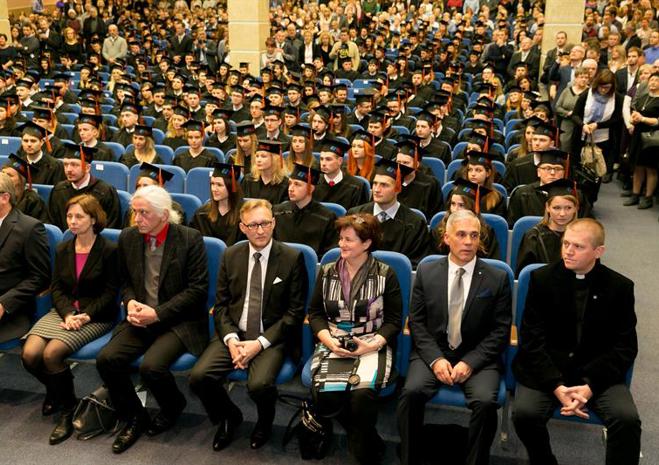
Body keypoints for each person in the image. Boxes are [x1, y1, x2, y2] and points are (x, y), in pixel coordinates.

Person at [512, 219, 641, 465]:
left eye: (578, 246)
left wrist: (590, 386)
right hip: (549, 370)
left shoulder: (620, 287)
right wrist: (556, 386)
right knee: (524, 414)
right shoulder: (542, 279)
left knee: (627, 419)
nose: (568, 251)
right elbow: (531, 341)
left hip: (598, 374)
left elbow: (625, 347)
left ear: (598, 251)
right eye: (566, 244)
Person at [96, 185, 209, 454]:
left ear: (164, 215)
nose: (137, 219)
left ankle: (173, 406)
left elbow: (197, 290)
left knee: (151, 367)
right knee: (107, 359)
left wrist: (157, 313)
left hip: (178, 320)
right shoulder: (129, 237)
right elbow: (125, 281)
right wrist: (130, 302)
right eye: (135, 212)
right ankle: (135, 416)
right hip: (140, 316)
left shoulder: (189, 239)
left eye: (144, 213)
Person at [189, 199, 307, 452]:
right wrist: (232, 340)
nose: (260, 230)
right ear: (243, 228)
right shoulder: (231, 255)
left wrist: (259, 344)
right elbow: (221, 306)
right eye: (253, 225)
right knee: (199, 378)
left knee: (259, 385)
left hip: (272, 337)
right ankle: (229, 416)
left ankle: (264, 422)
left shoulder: (291, 258)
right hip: (234, 333)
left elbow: (294, 313)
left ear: (274, 223)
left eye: (265, 223)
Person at [398, 209, 512, 465]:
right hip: (434, 351)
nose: (469, 242)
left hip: (478, 356)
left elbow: (500, 330)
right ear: (446, 238)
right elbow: (417, 322)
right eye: (461, 235)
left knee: (485, 402)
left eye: (474, 235)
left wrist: (470, 362)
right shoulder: (427, 271)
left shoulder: (497, 278)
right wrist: (436, 360)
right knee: (411, 393)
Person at [21, 194, 120, 445]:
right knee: (29, 355)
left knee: (51, 354)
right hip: (64, 312)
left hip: (95, 316)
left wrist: (86, 315)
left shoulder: (109, 250)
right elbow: (57, 288)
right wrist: (67, 313)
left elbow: (110, 292)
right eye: (69, 216)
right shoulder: (63, 248)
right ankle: (60, 391)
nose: (72, 221)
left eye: (79, 216)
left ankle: (66, 410)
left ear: (93, 219)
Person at [309, 213, 402, 465]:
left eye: (348, 240)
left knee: (362, 396)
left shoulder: (385, 274)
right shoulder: (327, 271)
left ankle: (361, 453)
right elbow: (315, 314)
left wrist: (371, 345)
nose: (341, 244)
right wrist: (328, 341)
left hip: (372, 342)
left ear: (367, 243)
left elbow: (394, 321)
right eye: (341, 239)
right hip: (333, 341)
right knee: (325, 395)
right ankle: (367, 438)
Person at [348, 158, 432, 267]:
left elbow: (413, 265)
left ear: (397, 188)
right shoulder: (355, 215)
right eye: (375, 183)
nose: (376, 190)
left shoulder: (415, 223)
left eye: (384, 185)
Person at [0, 172, 50, 343]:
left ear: (5, 198)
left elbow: (40, 277)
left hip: (10, 309)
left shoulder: (30, 228)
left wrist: (5, 303)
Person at [48, 143, 121, 231]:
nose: (68, 170)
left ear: (87, 168)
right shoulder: (58, 191)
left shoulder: (105, 192)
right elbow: (52, 224)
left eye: (74, 165)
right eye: (66, 164)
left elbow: (110, 227)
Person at [273, 163, 338, 257]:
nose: (290, 189)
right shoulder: (277, 212)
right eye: (290, 183)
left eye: (297, 184)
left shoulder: (326, 217)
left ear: (310, 189)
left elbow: (328, 254)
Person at [571, 69, 624, 184]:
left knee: (597, 172)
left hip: (604, 139)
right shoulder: (587, 94)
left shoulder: (617, 98)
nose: (603, 90)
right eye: (601, 87)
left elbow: (617, 119)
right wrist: (583, 125)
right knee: (579, 170)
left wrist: (598, 125)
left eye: (607, 88)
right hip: (582, 137)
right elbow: (575, 115)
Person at [516, 179, 579, 275]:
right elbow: (524, 274)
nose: (562, 214)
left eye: (568, 208)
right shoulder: (534, 237)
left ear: (575, 208)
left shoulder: (582, 237)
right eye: (556, 208)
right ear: (547, 207)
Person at [433, 178, 502, 260]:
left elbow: (491, 263)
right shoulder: (439, 230)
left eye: (461, 205)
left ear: (472, 207)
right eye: (453, 204)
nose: (455, 209)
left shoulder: (486, 233)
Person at [624, 71, 659, 209]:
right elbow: (636, 112)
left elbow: (657, 121)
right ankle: (635, 194)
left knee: (651, 168)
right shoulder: (644, 96)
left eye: (657, 80)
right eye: (651, 80)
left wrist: (643, 119)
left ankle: (648, 197)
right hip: (638, 135)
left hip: (653, 137)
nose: (653, 83)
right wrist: (633, 119)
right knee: (637, 166)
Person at [189, 162, 245, 246]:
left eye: (219, 185)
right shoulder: (201, 214)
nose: (214, 189)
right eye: (212, 184)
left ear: (231, 187)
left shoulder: (244, 216)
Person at [313, 138, 369, 211]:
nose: (323, 163)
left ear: (340, 161)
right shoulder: (312, 183)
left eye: (328, 159)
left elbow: (360, 215)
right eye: (321, 159)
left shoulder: (356, 186)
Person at [2, 154, 49, 222]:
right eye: (2, 173)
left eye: (9, 175)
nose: (4, 177)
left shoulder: (32, 201)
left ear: (21, 180)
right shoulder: (1, 195)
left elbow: (36, 225)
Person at [240, 140, 289, 205]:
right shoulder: (248, 179)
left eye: (263, 156)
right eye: (257, 156)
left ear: (275, 159)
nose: (258, 160)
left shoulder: (284, 184)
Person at [461, 150, 507, 217]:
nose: (473, 174)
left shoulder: (497, 198)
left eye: (478, 170)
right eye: (470, 170)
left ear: (488, 173)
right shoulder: (458, 194)